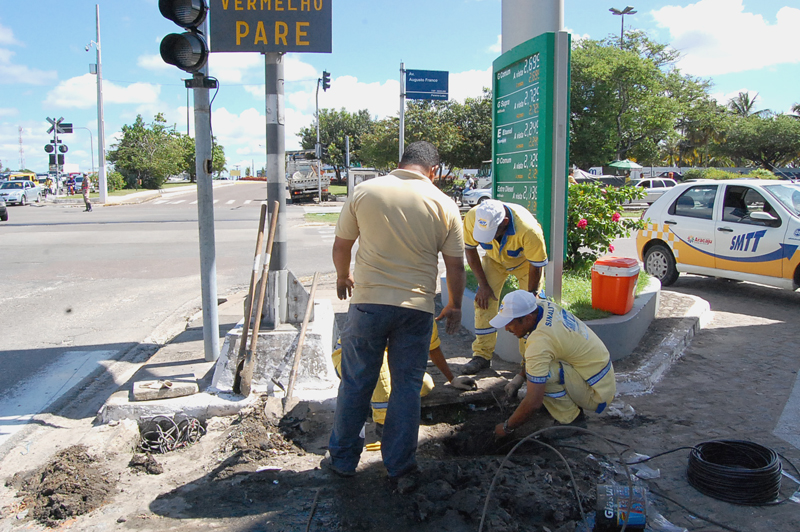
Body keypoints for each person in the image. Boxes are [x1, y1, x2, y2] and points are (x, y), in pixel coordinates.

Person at [325, 141, 465, 483]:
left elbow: (342, 245)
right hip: (415, 310)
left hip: (368, 305)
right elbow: (456, 266)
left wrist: (344, 277)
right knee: (406, 387)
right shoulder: (444, 204)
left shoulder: (366, 192)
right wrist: (455, 304)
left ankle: (343, 461)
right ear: (434, 170)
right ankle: (401, 467)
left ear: (400, 163)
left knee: (356, 383)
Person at [489, 290, 616, 437]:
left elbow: (533, 401)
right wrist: (519, 377)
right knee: (537, 367)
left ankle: (572, 420)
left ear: (528, 318)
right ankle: (560, 402)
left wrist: (506, 428)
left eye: (510, 323)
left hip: (597, 392)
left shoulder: (541, 341)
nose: (506, 328)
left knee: (542, 375)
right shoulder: (544, 306)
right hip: (600, 376)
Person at [331, 320, 476, 438]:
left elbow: (433, 348)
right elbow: (366, 352)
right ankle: (384, 424)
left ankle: (373, 401)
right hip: (353, 358)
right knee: (381, 376)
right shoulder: (380, 306)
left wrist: (452, 379)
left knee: (424, 384)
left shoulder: (423, 313)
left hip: (389, 360)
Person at [460, 199, 548, 374]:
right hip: (494, 261)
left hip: (525, 265)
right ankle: (482, 355)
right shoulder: (473, 217)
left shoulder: (529, 230)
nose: (490, 238)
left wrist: (531, 296)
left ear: (505, 222)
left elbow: (536, 265)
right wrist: (483, 285)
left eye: (493, 232)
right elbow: (470, 249)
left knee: (531, 310)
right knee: (482, 301)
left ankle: (529, 360)